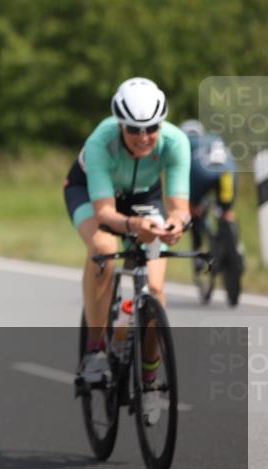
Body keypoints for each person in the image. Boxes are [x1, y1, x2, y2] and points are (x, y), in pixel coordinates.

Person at [64, 78, 190, 404]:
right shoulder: (100, 143)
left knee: (156, 290)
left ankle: (150, 375)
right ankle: (95, 351)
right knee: (104, 248)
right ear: (120, 124)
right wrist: (134, 225)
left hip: (146, 198)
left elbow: (180, 208)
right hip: (90, 194)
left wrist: (176, 224)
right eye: (134, 129)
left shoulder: (176, 142)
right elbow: (105, 212)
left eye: (151, 128)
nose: (144, 137)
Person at [179, 119, 243, 281]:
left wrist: (192, 202)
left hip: (200, 175)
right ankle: (237, 246)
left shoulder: (183, 141)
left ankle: (198, 253)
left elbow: (182, 171)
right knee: (227, 211)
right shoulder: (213, 137)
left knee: (193, 212)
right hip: (228, 173)